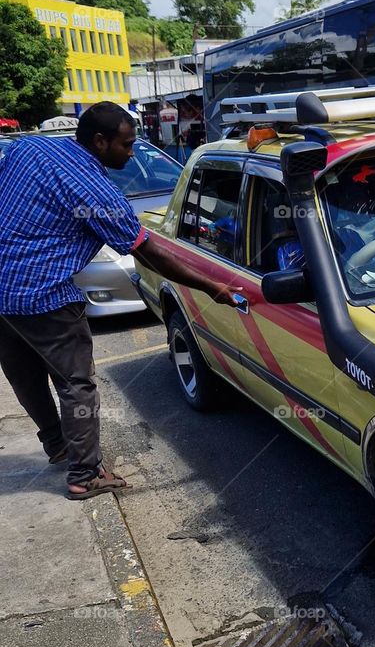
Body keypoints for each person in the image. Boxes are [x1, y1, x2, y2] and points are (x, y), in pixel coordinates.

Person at [0, 102, 239, 500]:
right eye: (126, 145)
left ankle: (58, 445)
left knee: (23, 373)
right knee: (76, 383)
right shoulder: (96, 191)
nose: (131, 153)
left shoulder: (29, 148)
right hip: (43, 295)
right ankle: (84, 474)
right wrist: (210, 285)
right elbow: (148, 251)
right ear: (99, 141)